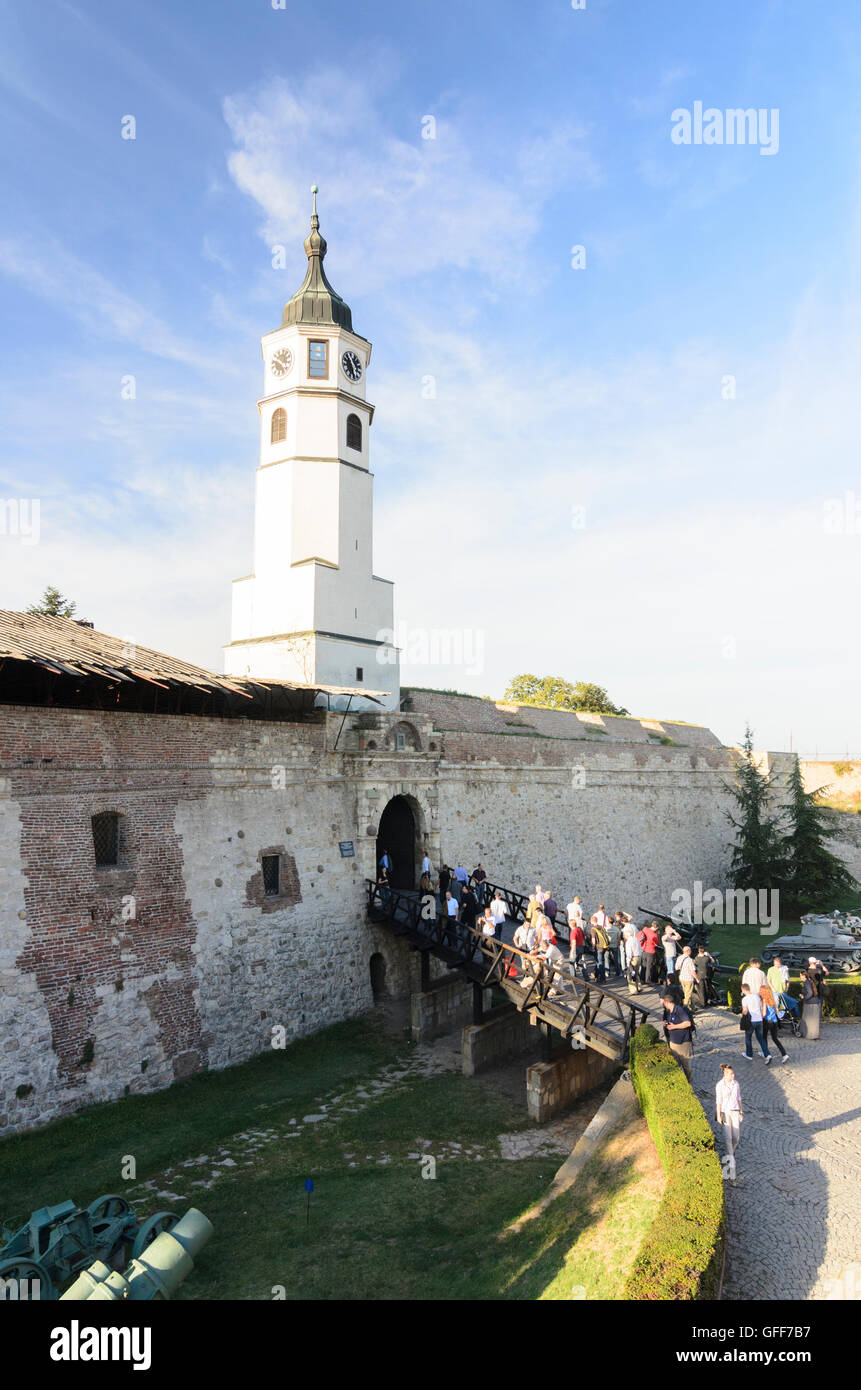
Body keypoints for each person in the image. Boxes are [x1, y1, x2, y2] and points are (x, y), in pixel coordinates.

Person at [715, 1063, 743, 1168]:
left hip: (735, 1112)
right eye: (730, 1074)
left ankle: (730, 1152)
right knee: (728, 1137)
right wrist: (718, 1115)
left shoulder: (736, 1084)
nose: (732, 1076)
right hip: (725, 1113)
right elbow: (719, 1101)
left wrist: (741, 1112)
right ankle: (731, 1159)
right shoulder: (720, 1085)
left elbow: (739, 1098)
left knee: (736, 1137)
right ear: (725, 1075)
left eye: (733, 1073)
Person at [662, 992, 694, 1080]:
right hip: (673, 1042)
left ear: (667, 1002)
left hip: (683, 1043)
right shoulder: (669, 1012)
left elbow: (688, 1023)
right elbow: (672, 1022)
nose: (664, 1005)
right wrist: (666, 1024)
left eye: (664, 1004)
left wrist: (674, 1027)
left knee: (685, 1064)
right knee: (675, 1064)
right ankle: (679, 1080)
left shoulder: (679, 1010)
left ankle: (689, 1080)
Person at [760, 981, 789, 1062]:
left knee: (764, 1038)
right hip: (775, 1021)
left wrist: (760, 1017)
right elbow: (776, 1011)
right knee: (775, 1039)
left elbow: (764, 1013)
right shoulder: (772, 999)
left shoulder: (764, 1000)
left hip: (767, 1021)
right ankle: (784, 1054)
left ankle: (766, 1054)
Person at [740, 983, 771, 1062]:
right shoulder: (757, 996)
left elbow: (745, 1011)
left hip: (751, 1021)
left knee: (748, 1037)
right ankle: (767, 1054)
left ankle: (749, 1054)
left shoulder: (745, 999)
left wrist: (741, 1012)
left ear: (743, 990)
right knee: (761, 1038)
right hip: (759, 1020)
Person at [800, 969, 821, 1040]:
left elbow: (810, 993)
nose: (800, 977)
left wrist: (804, 997)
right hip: (815, 1002)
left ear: (804, 976)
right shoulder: (809, 981)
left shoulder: (806, 982)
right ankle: (814, 1035)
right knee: (813, 1021)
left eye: (800, 976)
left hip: (810, 1003)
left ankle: (810, 1035)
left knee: (809, 1021)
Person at [590, 911, 611, 983]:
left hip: (599, 947)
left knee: (600, 962)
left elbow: (593, 940)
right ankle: (596, 975)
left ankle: (603, 978)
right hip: (605, 947)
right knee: (598, 961)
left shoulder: (593, 929)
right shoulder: (601, 927)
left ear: (592, 921)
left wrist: (593, 947)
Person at [638, 920, 660, 985]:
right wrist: (657, 934)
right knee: (649, 966)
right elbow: (656, 943)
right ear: (656, 927)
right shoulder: (654, 935)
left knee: (644, 965)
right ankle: (648, 980)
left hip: (644, 949)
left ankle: (642, 979)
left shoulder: (645, 928)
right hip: (650, 951)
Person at [694, 944, 716, 1008]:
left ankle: (703, 1003)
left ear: (698, 951)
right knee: (706, 988)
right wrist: (709, 955)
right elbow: (713, 961)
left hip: (699, 975)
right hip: (706, 975)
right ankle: (706, 1002)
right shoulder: (706, 958)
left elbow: (695, 963)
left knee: (701, 989)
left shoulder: (696, 958)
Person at [678, 946, 698, 1010]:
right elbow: (693, 971)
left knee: (687, 993)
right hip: (688, 979)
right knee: (687, 995)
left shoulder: (679, 958)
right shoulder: (690, 960)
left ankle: (692, 1008)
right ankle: (685, 1009)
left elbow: (676, 968)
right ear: (688, 951)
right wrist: (697, 978)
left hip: (682, 978)